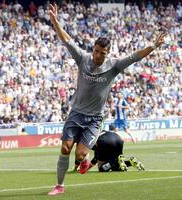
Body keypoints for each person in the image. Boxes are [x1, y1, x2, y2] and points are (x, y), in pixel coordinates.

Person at [47, 3, 166, 195]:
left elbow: (135, 57)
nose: (97, 56)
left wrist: (153, 45)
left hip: (95, 119)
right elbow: (67, 40)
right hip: (76, 113)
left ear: (107, 53)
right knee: (66, 147)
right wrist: (55, 21)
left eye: (102, 53)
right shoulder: (83, 58)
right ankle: (59, 186)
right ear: (93, 49)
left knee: (80, 154)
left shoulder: (114, 66)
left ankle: (83, 161)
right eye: (95, 51)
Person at [79, 124, 145, 174]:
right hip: (119, 139)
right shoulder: (101, 132)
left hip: (105, 142)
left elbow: (96, 158)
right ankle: (130, 162)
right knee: (117, 168)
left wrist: (86, 169)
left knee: (102, 169)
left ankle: (114, 161)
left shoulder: (88, 140)